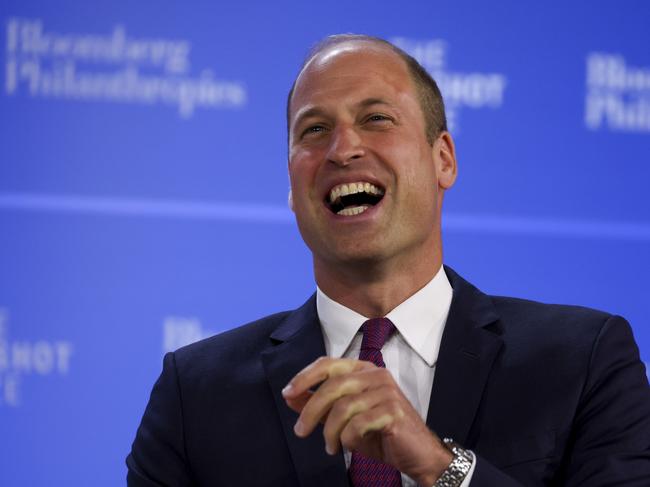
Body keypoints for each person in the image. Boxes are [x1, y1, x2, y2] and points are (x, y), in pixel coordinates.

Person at [127, 34, 650, 486]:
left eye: (376, 118)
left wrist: (436, 465)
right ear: (291, 187)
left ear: (443, 159)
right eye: (313, 130)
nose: (343, 148)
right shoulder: (194, 393)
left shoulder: (583, 361)